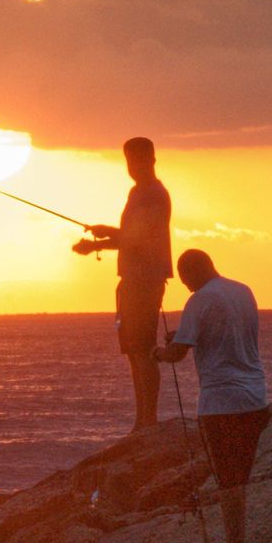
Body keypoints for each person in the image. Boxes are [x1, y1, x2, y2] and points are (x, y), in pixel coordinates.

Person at [153, 249, 268, 543]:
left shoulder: (199, 299)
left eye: (184, 280)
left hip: (221, 403)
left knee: (228, 480)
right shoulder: (243, 291)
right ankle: (240, 540)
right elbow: (225, 329)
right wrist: (185, 334)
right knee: (242, 474)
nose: (186, 287)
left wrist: (158, 354)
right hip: (255, 398)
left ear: (189, 273)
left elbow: (177, 353)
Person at [72, 137, 172, 432]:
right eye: (129, 161)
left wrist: (97, 243)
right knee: (133, 349)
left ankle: (148, 421)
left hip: (145, 279)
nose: (133, 167)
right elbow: (132, 234)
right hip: (132, 278)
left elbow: (137, 238)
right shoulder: (138, 192)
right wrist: (106, 234)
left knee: (142, 348)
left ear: (152, 159)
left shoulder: (152, 193)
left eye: (138, 160)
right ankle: (142, 420)